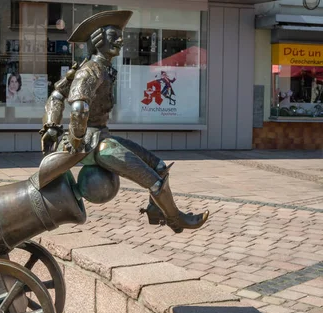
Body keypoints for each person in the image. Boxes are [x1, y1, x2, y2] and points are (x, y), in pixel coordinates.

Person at [37, 10, 208, 234]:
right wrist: (74, 139)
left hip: (100, 136)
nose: (120, 39)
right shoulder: (90, 70)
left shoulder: (102, 68)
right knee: (153, 180)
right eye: (113, 35)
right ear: (98, 40)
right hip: (90, 144)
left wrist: (51, 127)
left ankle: (155, 210)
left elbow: (57, 95)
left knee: (159, 167)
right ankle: (175, 219)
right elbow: (78, 107)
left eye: (120, 35)